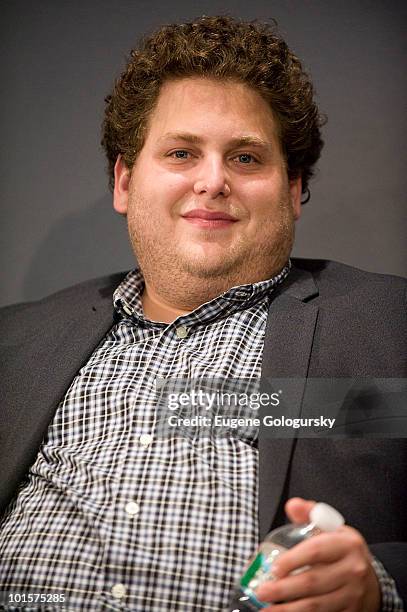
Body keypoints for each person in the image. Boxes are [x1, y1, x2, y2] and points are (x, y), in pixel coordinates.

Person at [0, 14, 405, 612]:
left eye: (245, 158)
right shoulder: (15, 340)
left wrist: (380, 586)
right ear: (124, 181)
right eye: (182, 152)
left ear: (292, 190)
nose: (212, 180)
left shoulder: (389, 328)